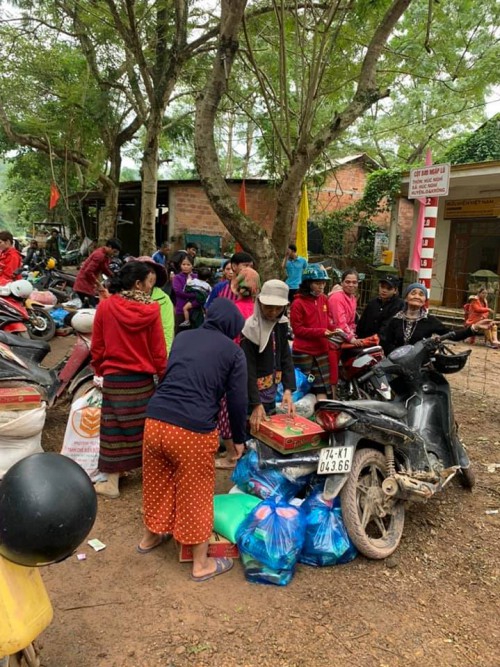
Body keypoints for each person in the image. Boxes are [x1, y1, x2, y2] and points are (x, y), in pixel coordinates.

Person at [138, 299, 247, 582]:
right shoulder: (233, 352)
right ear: (234, 328)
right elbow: (237, 401)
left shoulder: (184, 337)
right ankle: (201, 564)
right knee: (196, 492)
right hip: (192, 430)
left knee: (157, 482)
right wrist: (238, 440)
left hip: (155, 421)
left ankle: (150, 537)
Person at [90, 261, 167, 499]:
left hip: (115, 379)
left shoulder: (106, 307)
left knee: (113, 431)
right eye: (149, 284)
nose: (150, 289)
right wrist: (163, 376)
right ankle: (152, 479)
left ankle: (112, 482)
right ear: (138, 283)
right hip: (142, 381)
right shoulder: (152, 310)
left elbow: (98, 346)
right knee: (144, 430)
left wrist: (100, 369)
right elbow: (158, 351)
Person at [241, 279, 296, 434]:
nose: (273, 312)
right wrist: (256, 404)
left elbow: (285, 356)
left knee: (267, 432)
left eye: (278, 308)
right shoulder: (250, 329)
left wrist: (287, 390)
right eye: (268, 307)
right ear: (259, 304)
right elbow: (248, 369)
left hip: (271, 391)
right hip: (251, 394)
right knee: (251, 432)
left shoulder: (282, 323)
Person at [380, 282, 492, 356]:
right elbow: (385, 342)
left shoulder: (430, 321)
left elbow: (452, 334)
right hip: (396, 363)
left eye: (421, 294)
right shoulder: (395, 320)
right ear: (406, 298)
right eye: (413, 293)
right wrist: (397, 355)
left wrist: (473, 328)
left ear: (425, 300)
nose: (417, 296)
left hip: (421, 366)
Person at [290, 264, 334, 401]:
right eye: (317, 283)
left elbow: (327, 322)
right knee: (303, 387)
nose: (321, 287)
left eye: (323, 283)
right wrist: (321, 332)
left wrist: (335, 330)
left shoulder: (324, 299)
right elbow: (298, 330)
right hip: (304, 352)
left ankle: (322, 417)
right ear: (308, 283)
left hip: (321, 349)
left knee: (322, 387)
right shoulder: (298, 303)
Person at [136, 256, 175, 353]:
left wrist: (163, 357)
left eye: (152, 272)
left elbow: (167, 332)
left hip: (153, 355)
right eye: (145, 272)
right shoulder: (122, 297)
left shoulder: (164, 300)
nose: (150, 276)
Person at [74, 238, 122, 307]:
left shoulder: (105, 254)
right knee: (91, 307)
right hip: (84, 285)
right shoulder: (99, 255)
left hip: (89, 284)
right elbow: (88, 271)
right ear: (110, 247)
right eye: (114, 251)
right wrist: (98, 283)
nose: (114, 254)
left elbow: (104, 267)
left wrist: (112, 275)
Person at [172, 255, 202, 333]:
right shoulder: (177, 278)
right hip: (181, 310)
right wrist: (194, 295)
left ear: (192, 265)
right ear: (180, 265)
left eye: (188, 264)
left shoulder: (196, 277)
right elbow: (179, 292)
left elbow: (202, 290)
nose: (186, 267)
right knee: (180, 333)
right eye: (183, 264)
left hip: (195, 310)